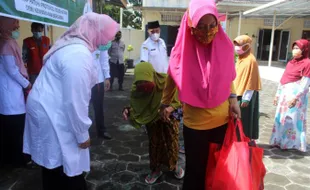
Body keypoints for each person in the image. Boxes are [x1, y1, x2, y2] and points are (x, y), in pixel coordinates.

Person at [23, 12, 119, 190]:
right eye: (107, 37)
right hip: (51, 112)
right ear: (96, 33)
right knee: (63, 163)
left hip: (50, 107)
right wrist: (82, 134)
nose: (108, 42)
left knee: (55, 164)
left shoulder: (75, 47)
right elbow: (75, 100)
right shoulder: (78, 55)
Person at [160, 0, 240, 189]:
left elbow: (228, 76)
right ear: (191, 26)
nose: (208, 31)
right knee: (195, 171)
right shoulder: (180, 52)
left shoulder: (225, 46)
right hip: (195, 124)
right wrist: (164, 104)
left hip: (221, 120)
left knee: (217, 170)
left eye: (212, 26)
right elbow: (172, 77)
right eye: (201, 27)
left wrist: (234, 99)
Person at [122, 62, 184, 184]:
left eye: (147, 82)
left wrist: (170, 107)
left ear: (152, 75)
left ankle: (174, 166)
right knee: (155, 145)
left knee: (171, 144)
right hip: (152, 121)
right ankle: (156, 170)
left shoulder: (166, 80)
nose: (144, 86)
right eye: (140, 83)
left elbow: (180, 95)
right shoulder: (137, 88)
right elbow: (138, 105)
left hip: (169, 119)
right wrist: (128, 110)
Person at [0, 16, 31, 168]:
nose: (17, 28)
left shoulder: (8, 42)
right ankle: (17, 159)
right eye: (14, 25)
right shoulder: (6, 44)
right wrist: (27, 84)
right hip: (10, 95)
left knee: (13, 129)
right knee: (15, 129)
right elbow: (12, 70)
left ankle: (13, 158)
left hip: (11, 92)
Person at [270, 39, 310, 152]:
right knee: (281, 118)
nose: (294, 50)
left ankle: (291, 143)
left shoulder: (307, 63)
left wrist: (296, 97)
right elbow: (283, 79)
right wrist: (277, 95)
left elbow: (306, 83)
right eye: (294, 48)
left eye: (298, 48)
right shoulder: (290, 63)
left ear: (304, 49)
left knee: (293, 119)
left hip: (296, 97)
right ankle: (278, 141)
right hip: (284, 95)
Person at [233, 35, 262, 140]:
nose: (237, 47)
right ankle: (237, 139)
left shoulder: (251, 60)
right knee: (238, 119)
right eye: (236, 45)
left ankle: (244, 139)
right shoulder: (241, 59)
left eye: (239, 45)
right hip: (237, 92)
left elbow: (251, 80)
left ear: (247, 46)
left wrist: (246, 97)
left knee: (244, 119)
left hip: (245, 96)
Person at [91, 47, 112, 139]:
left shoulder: (101, 42)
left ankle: (101, 131)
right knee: (81, 107)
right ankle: (82, 132)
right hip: (82, 80)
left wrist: (107, 77)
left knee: (99, 107)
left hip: (98, 80)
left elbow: (104, 60)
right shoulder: (81, 39)